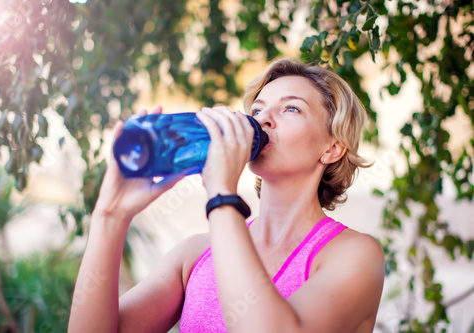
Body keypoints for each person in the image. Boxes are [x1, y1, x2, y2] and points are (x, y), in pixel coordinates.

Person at [68, 58, 385, 333]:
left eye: (291, 108)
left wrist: (220, 194)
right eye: (258, 109)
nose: (263, 119)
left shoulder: (354, 255)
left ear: (332, 147)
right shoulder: (196, 254)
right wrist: (110, 217)